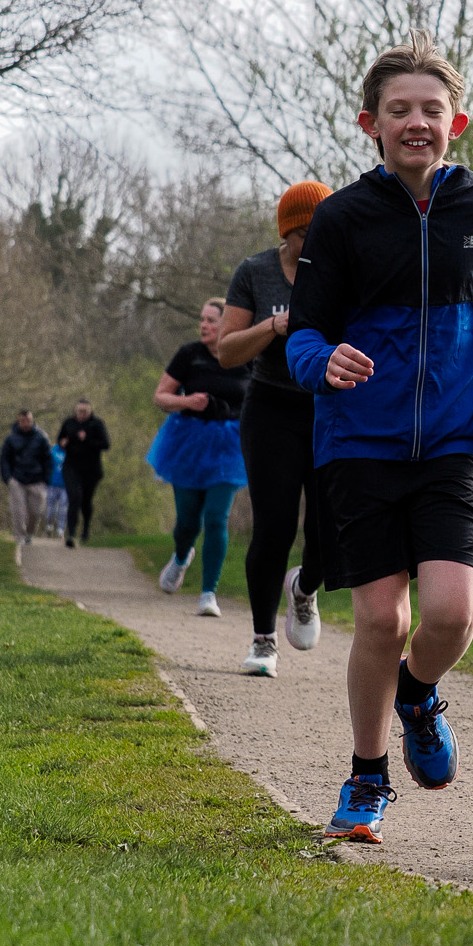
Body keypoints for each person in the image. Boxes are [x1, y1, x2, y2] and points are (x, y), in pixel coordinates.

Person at [286, 31, 473, 845]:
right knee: (381, 622)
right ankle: (366, 777)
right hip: (358, 445)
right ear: (370, 124)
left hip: (454, 444)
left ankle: (418, 694)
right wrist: (327, 361)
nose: (416, 122)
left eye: (432, 109)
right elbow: (303, 337)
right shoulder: (342, 219)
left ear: (456, 122)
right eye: (400, 111)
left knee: (452, 616)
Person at [218, 180, 333, 678]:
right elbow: (226, 352)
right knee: (274, 526)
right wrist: (271, 327)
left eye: (321, 231)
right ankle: (263, 640)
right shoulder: (256, 272)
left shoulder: (341, 269)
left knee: (332, 528)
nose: (313, 242)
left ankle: (304, 589)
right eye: (304, 233)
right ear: (286, 233)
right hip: (270, 410)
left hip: (330, 408)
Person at [146, 299, 250, 617]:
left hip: (230, 445)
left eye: (211, 321)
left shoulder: (248, 357)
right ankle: (180, 557)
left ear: (229, 324)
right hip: (189, 442)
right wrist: (187, 401)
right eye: (202, 320)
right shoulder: (190, 354)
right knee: (187, 522)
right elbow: (161, 395)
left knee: (217, 517)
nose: (204, 326)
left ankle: (208, 593)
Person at [0, 408, 52, 566]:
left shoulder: (41, 438)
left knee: (36, 511)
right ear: (18, 421)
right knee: (18, 510)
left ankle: (29, 533)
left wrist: (46, 479)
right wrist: (8, 478)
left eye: (28, 420)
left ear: (32, 420)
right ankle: (20, 537)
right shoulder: (11, 440)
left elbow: (48, 459)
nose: (25, 423)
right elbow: (4, 460)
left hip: (37, 480)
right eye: (22, 421)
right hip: (18, 480)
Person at [57, 398, 111, 549]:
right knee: (74, 497)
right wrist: (63, 443)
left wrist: (87, 439)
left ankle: (86, 528)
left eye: (84, 411)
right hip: (71, 467)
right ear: (75, 411)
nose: (81, 414)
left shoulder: (97, 424)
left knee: (85, 501)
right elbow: (60, 438)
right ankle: (71, 534)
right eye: (79, 411)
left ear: (90, 411)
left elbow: (106, 444)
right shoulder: (69, 423)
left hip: (91, 469)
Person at [45, 439, 67, 538]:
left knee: (63, 508)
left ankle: (60, 529)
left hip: (65, 486)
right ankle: (49, 525)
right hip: (52, 484)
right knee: (51, 508)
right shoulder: (52, 451)